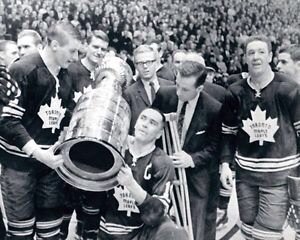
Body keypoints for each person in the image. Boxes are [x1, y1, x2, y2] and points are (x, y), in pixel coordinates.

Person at [0, 22, 81, 239]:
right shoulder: (22, 69)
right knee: (21, 234)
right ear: (54, 45)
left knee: (51, 232)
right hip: (20, 166)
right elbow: (7, 121)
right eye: (72, 50)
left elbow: (67, 114)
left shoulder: (67, 74)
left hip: (50, 168)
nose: (75, 57)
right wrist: (37, 152)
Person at [220, 35, 300, 240]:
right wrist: (225, 164)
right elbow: (228, 132)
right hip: (246, 175)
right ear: (245, 58)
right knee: (248, 231)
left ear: (270, 56)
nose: (256, 57)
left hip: (279, 175)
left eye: (261, 52)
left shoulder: (289, 88)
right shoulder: (235, 91)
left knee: (265, 235)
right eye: (251, 53)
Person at [153, 61, 222, 240]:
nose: (178, 92)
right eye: (177, 85)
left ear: (199, 88)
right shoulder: (164, 94)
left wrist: (191, 159)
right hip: (162, 166)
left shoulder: (213, 108)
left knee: (195, 222)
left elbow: (215, 147)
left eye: (185, 90)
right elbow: (151, 124)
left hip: (195, 171)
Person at [98, 107, 188, 240]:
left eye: (152, 123)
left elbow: (157, 214)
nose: (145, 124)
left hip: (141, 233)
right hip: (105, 229)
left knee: (175, 233)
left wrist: (131, 184)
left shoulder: (163, 162)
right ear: (135, 124)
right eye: (143, 118)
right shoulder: (116, 148)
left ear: (159, 134)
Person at [60, 29, 110, 240]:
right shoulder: (71, 70)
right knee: (64, 207)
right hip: (71, 147)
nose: (98, 52)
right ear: (86, 47)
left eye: (103, 49)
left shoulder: (106, 75)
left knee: (90, 213)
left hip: (94, 151)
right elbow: (61, 105)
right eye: (95, 47)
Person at [123, 45, 173, 134]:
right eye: (140, 63)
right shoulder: (129, 94)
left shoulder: (171, 87)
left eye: (149, 62)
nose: (145, 66)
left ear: (156, 62)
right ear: (135, 66)